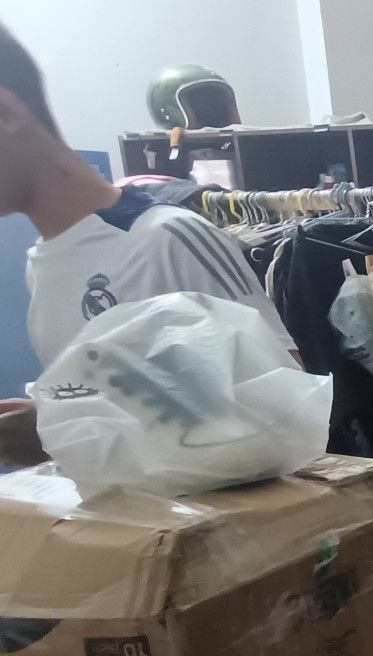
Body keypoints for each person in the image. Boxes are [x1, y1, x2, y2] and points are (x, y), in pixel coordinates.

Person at [0, 24, 297, 468]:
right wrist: (53, 422)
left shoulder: (169, 238)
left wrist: (59, 436)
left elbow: (290, 416)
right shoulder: (41, 266)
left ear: (6, 113)